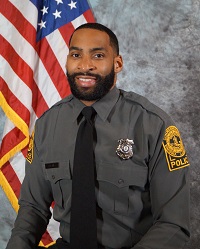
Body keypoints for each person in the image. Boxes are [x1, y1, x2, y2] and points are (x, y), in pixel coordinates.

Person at [6, 23, 190, 249]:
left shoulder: (152, 125)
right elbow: (33, 209)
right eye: (76, 55)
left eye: (98, 55)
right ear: (67, 61)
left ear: (118, 63)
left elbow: (173, 224)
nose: (85, 65)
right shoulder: (47, 126)